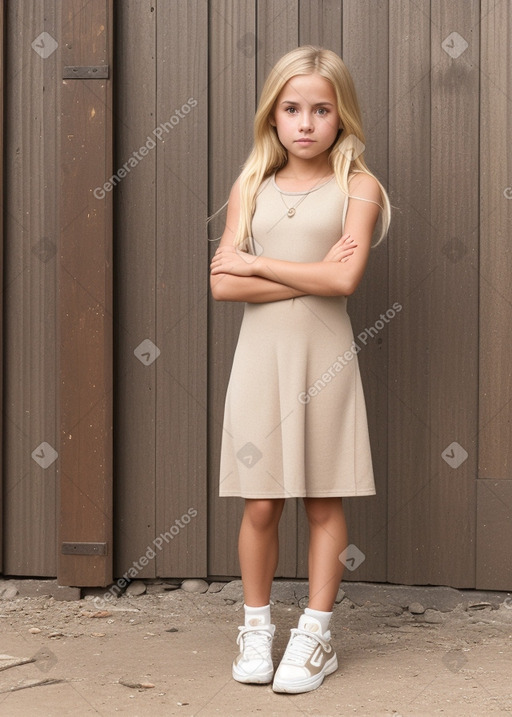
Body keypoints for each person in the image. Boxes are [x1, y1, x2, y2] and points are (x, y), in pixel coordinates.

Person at [210, 45, 391, 694]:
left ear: (342, 116)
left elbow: (344, 278)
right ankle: (257, 625)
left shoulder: (358, 187)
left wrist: (258, 264)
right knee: (261, 500)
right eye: (292, 109)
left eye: (321, 108)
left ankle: (315, 633)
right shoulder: (250, 185)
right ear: (273, 115)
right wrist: (299, 276)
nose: (306, 122)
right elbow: (221, 285)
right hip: (260, 358)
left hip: (324, 358)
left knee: (322, 495)